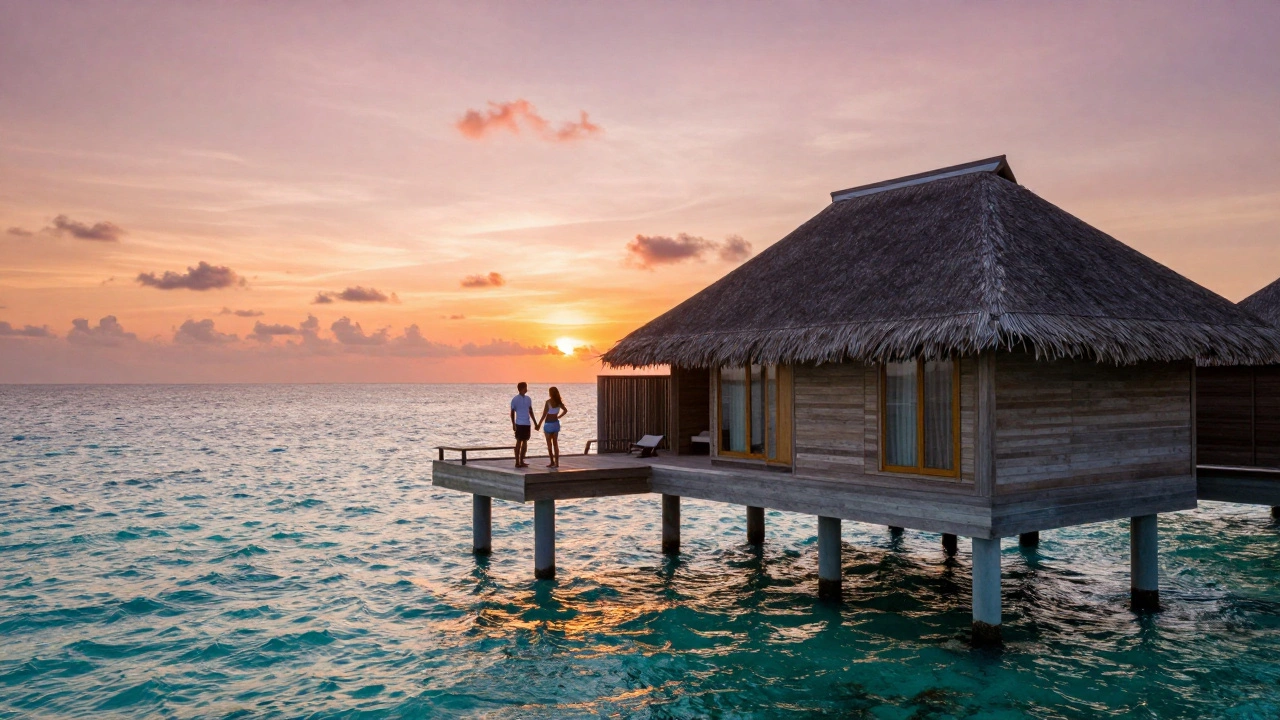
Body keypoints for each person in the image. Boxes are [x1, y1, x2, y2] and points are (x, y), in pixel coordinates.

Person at [536, 386, 568, 468]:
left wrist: (539, 424)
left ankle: (552, 462)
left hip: (548, 424)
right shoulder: (559, 402)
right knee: (555, 444)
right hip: (555, 424)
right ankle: (557, 463)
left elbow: (544, 415)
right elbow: (565, 410)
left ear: (550, 393)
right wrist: (559, 416)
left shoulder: (548, 402)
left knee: (549, 444)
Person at [510, 382, 533, 468]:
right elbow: (512, 413)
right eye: (525, 387)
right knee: (519, 441)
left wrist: (535, 422)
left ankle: (522, 460)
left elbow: (530, 411)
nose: (526, 389)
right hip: (519, 423)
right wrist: (513, 424)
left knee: (525, 441)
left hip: (527, 423)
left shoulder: (528, 399)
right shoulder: (515, 399)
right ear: (521, 388)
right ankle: (517, 462)